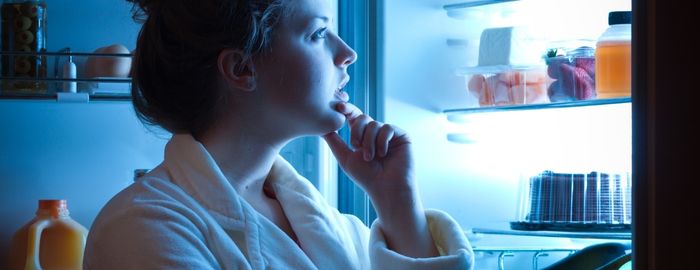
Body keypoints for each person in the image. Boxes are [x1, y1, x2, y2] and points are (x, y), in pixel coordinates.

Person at [83, 0, 474, 269]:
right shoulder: (143, 228)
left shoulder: (321, 220)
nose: (347, 52)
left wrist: (397, 203)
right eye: (319, 34)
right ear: (242, 69)